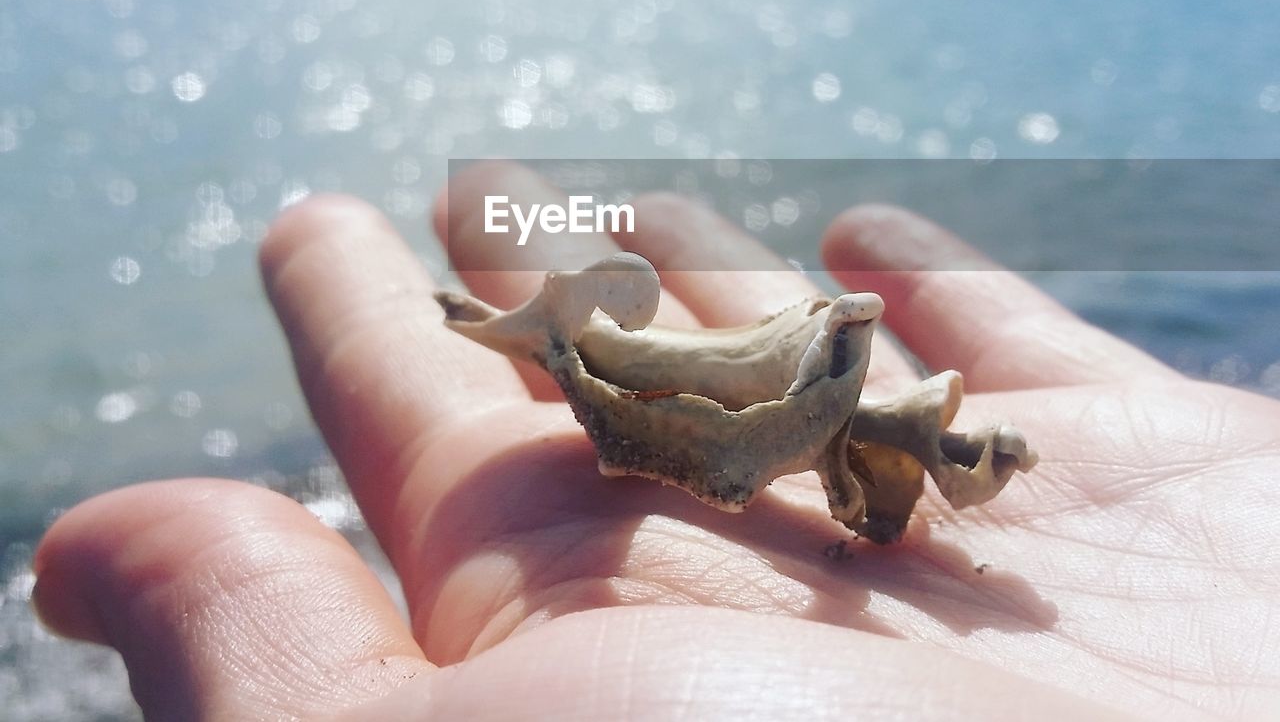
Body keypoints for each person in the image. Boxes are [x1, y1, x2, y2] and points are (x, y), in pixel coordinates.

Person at [33, 165, 1280, 720]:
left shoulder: (843, 434)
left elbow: (857, 484)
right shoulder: (842, 410)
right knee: (629, 346)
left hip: (755, 406)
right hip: (741, 394)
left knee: (645, 358)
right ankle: (552, 342)